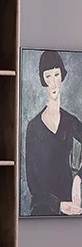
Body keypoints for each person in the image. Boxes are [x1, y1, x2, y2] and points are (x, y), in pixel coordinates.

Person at [25, 50, 82, 215]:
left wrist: (78, 178)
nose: (53, 82)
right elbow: (32, 182)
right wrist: (59, 205)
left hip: (70, 202)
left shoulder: (71, 121)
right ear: (43, 80)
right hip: (43, 206)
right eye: (48, 76)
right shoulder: (33, 127)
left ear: (62, 76)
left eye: (56, 75)